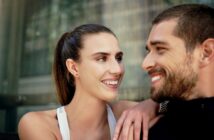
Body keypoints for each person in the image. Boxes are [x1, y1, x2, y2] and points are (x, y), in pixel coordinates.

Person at [18, 24, 143, 140]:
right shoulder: (38, 124)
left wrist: (151, 106)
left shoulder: (126, 112)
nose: (117, 69)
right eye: (101, 59)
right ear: (73, 68)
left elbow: (163, 106)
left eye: (118, 58)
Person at [113, 3, 214, 140]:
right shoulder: (174, 109)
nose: (145, 64)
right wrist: (155, 106)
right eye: (149, 51)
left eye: (160, 49)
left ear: (206, 53)